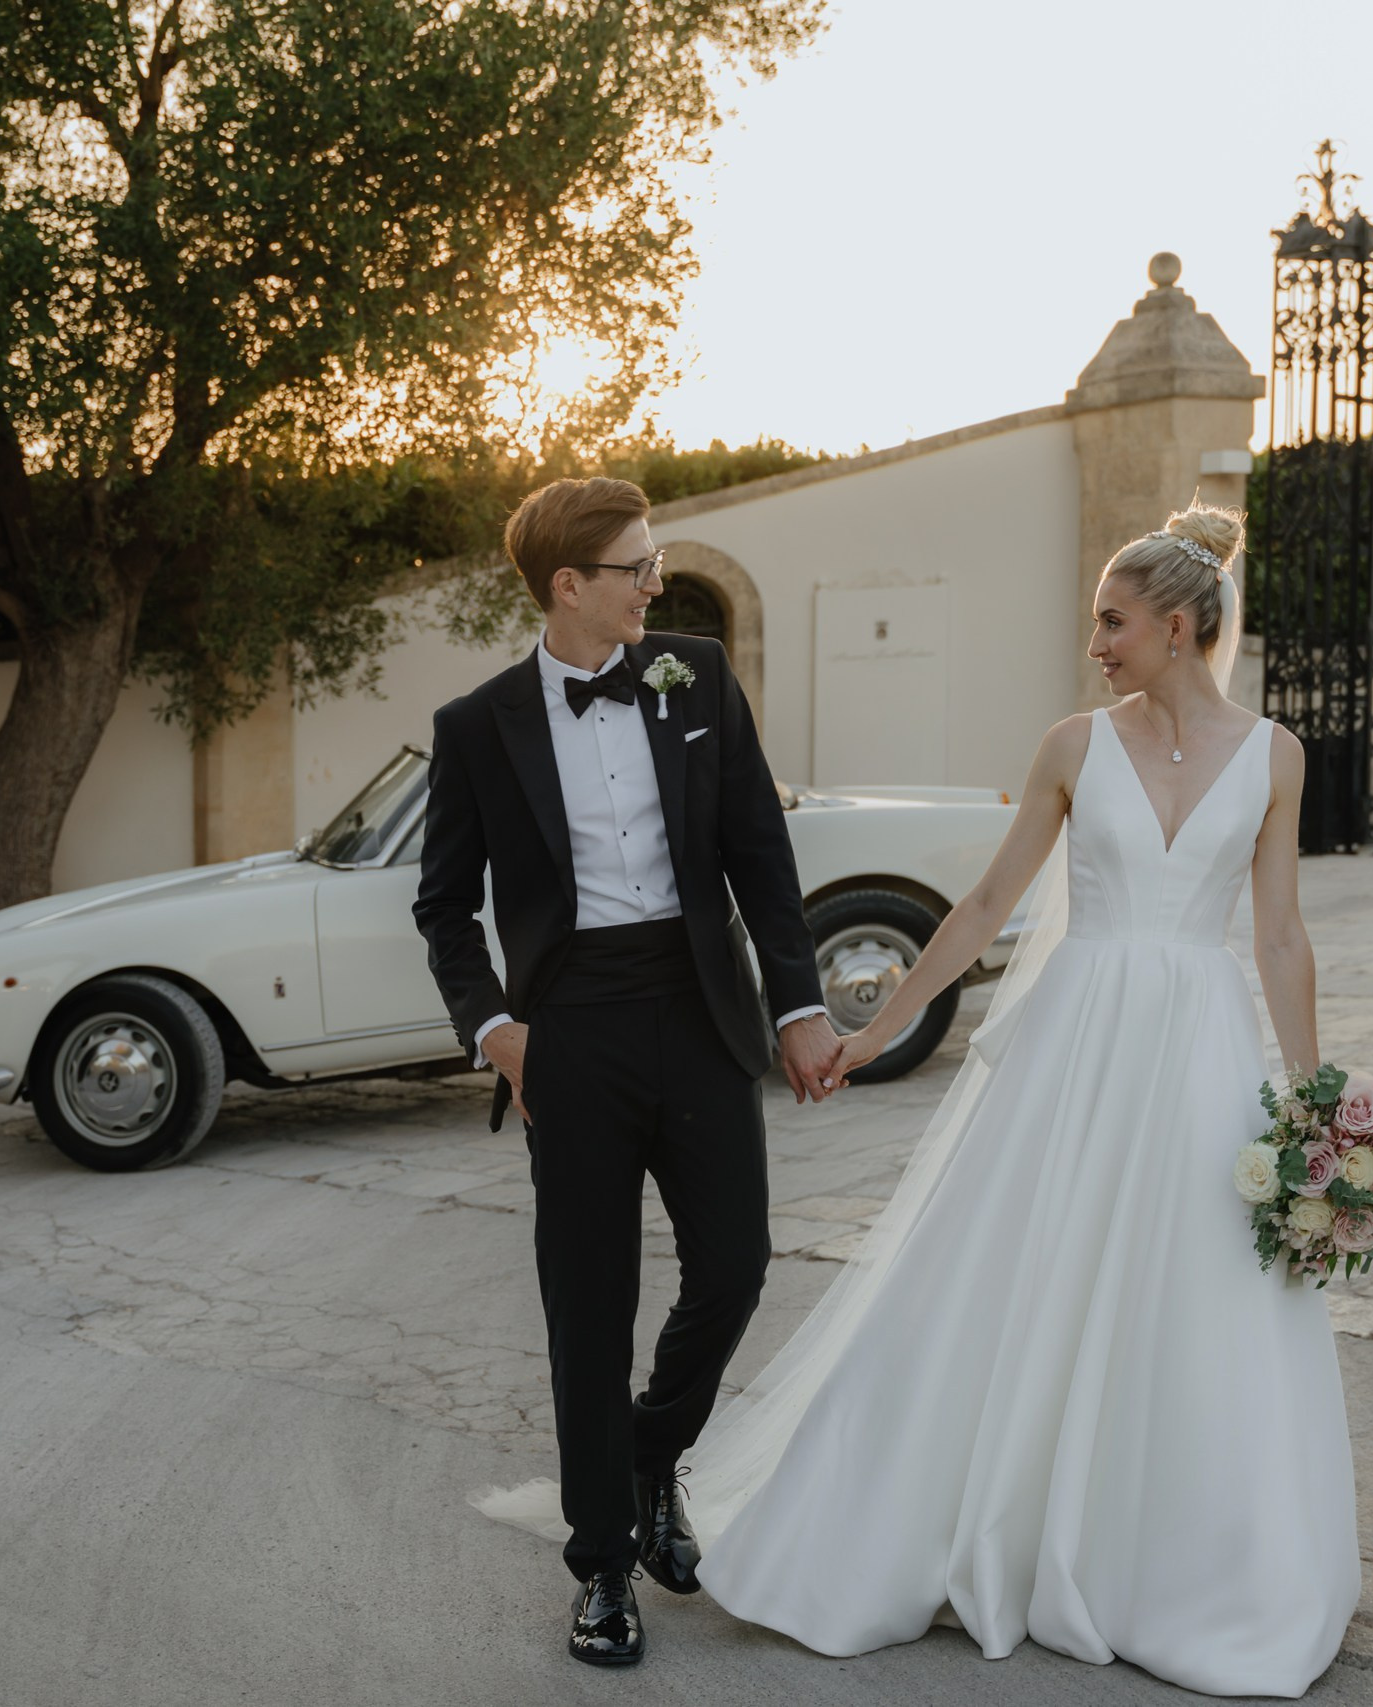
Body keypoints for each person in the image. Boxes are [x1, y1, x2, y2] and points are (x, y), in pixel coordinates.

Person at [686, 503, 1361, 1696]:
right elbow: (987, 909)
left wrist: (1312, 1111)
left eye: (1111, 620)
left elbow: (1281, 934)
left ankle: (1179, 1564)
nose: (1093, 640)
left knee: (1191, 1290)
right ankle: (950, 1521)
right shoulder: (1068, 746)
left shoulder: (1275, 756)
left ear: (1176, 624)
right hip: (1077, 1042)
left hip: (1197, 1049)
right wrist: (873, 1026)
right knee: (1008, 1271)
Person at [413, 476, 844, 1669]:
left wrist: (801, 1004)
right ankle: (603, 1563)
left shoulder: (693, 674)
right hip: (572, 1036)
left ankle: (650, 1453)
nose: (657, 581)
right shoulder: (477, 726)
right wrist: (493, 1029)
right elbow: (443, 909)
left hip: (702, 1011)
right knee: (588, 1303)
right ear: (570, 585)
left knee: (737, 1265)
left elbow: (758, 844)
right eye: (637, 566)